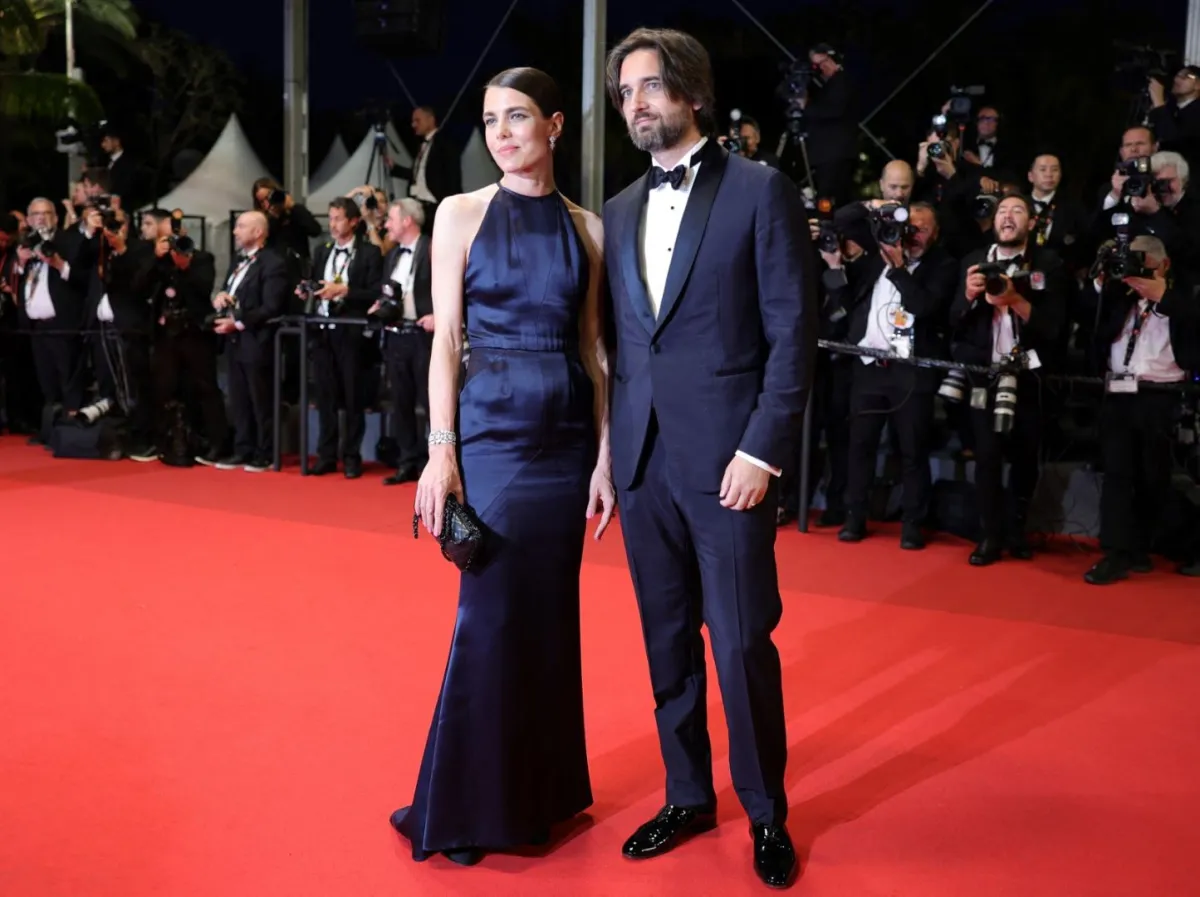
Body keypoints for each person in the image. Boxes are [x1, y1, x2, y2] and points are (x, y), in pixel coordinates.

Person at [602, 28, 817, 890]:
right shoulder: (617, 209)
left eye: (650, 88)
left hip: (730, 462)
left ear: (691, 92)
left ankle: (766, 810)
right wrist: (608, 457)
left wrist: (762, 448)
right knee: (666, 647)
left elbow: (793, 332)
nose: (637, 105)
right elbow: (622, 345)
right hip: (643, 462)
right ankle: (688, 794)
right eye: (624, 94)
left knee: (738, 645)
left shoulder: (763, 191)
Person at [395, 67, 615, 866]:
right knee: (485, 615)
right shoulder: (458, 213)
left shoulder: (588, 228)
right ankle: (465, 802)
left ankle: (542, 792)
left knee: (549, 619)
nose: (501, 134)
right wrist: (441, 451)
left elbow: (594, 347)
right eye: (489, 120)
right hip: (490, 432)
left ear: (554, 125)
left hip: (564, 439)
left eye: (517, 117)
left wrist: (606, 457)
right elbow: (445, 340)